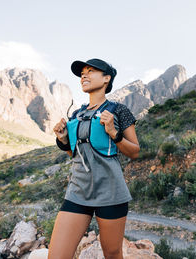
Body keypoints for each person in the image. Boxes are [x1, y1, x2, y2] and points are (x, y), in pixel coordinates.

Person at [49, 58, 140, 259]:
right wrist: (63, 139)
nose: (84, 75)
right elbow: (75, 154)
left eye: (90, 71)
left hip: (110, 191)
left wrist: (114, 133)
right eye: (82, 73)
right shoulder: (76, 114)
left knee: (112, 253)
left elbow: (134, 152)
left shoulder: (118, 110)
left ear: (106, 78)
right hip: (78, 191)